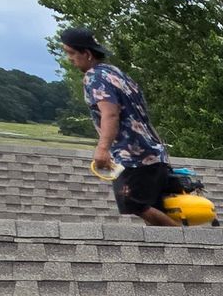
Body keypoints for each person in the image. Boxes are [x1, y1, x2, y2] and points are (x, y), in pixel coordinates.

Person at [59, 27, 179, 227]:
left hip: (133, 157)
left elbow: (110, 113)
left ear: (87, 54)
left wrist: (102, 148)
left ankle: (192, 241)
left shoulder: (95, 77)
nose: (69, 58)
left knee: (133, 202)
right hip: (154, 153)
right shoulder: (115, 72)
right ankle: (179, 247)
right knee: (154, 208)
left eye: (71, 53)